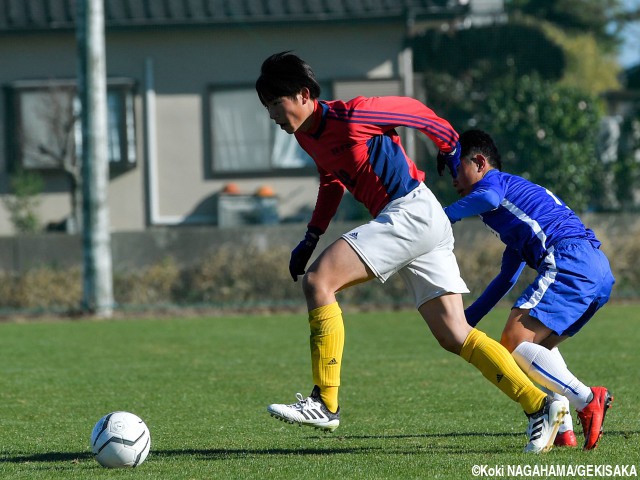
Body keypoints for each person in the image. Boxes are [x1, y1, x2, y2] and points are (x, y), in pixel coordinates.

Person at [255, 51, 566, 453]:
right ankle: (540, 404)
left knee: (319, 282)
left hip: (410, 212)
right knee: (455, 335)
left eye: (275, 105)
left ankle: (324, 402)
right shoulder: (306, 136)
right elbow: (331, 179)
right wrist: (311, 236)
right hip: (419, 220)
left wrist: (450, 147)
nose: (272, 116)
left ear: (302, 95)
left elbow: (417, 112)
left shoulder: (352, 115)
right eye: (266, 109)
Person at [443, 129, 615, 450]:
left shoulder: (496, 186)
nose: (453, 180)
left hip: (568, 258)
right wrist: (465, 322)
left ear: (480, 162)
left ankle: (588, 399)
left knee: (512, 341)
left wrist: (443, 216)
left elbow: (488, 197)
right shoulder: (515, 207)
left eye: (455, 167)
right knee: (537, 349)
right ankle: (563, 431)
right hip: (594, 266)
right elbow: (507, 277)